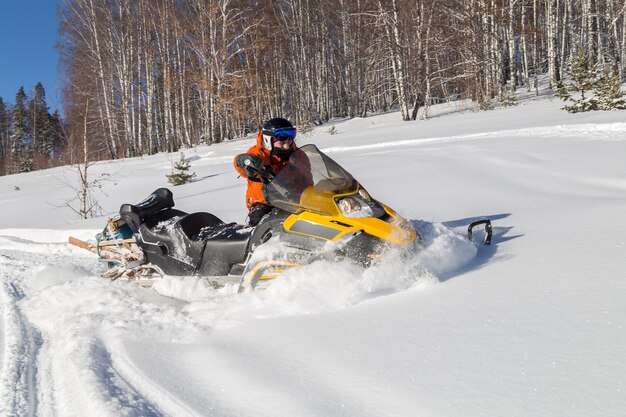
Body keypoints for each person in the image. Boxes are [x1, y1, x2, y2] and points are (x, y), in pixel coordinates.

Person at [234, 117, 298, 226]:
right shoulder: (259, 154)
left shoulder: (297, 155)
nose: (287, 146)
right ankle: (259, 242)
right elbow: (242, 165)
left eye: (290, 140)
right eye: (282, 142)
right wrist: (244, 161)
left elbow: (308, 177)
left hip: (292, 200)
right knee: (260, 220)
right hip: (263, 203)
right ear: (269, 140)